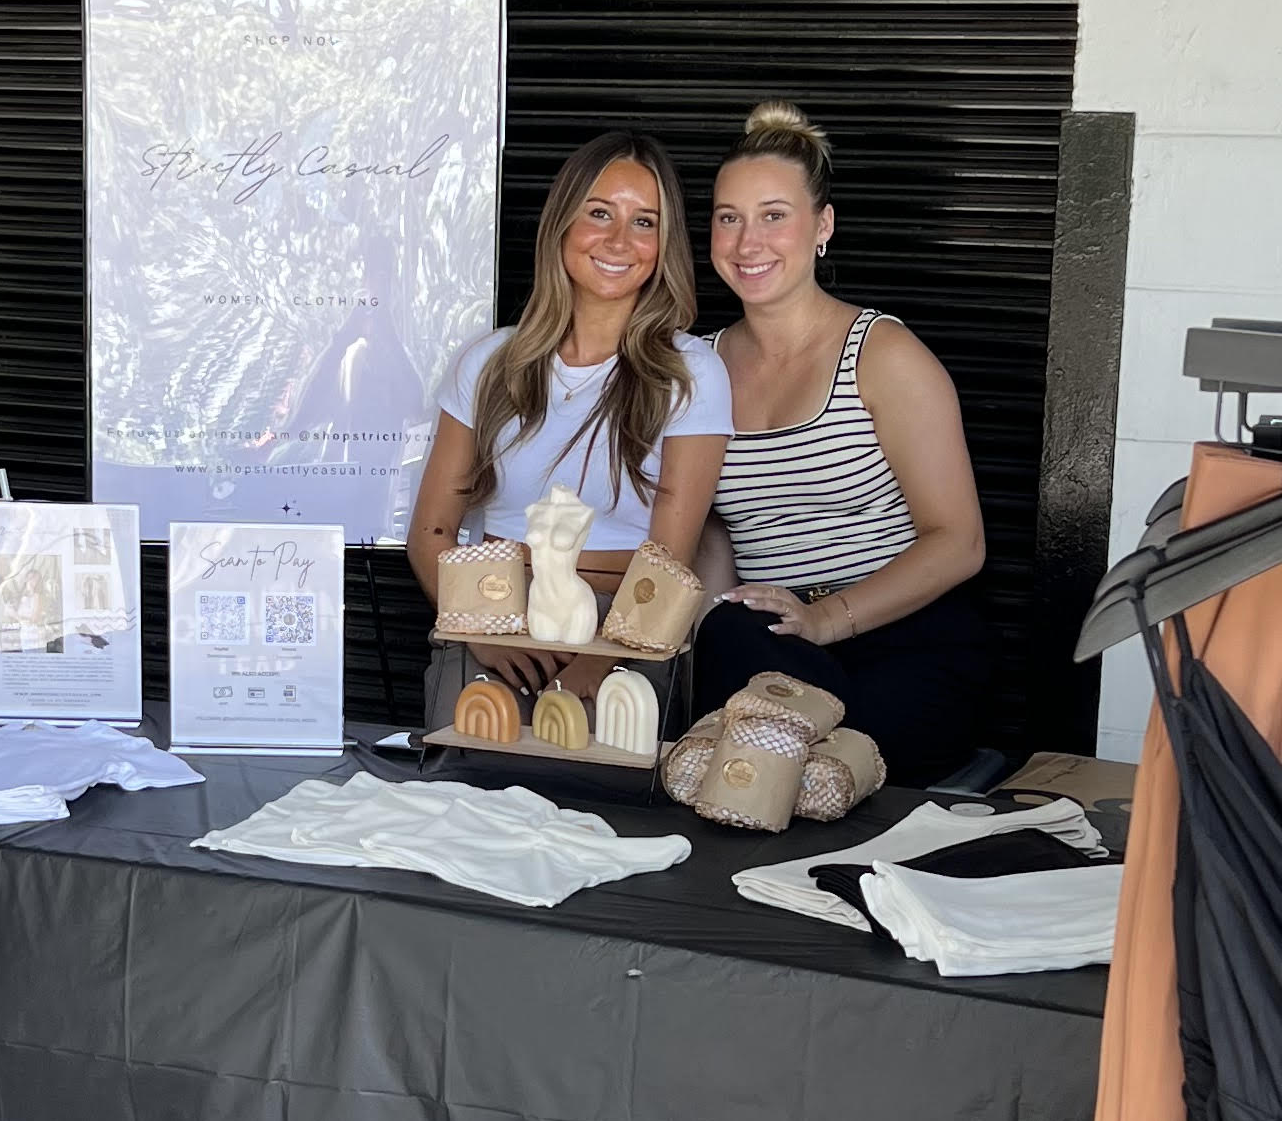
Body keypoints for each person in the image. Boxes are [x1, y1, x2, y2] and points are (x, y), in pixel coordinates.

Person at [694, 99, 995, 777]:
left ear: (822, 225)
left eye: (775, 215)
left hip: (902, 636)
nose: (748, 243)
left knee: (818, 756)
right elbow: (712, 534)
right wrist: (701, 633)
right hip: (775, 644)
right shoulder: (699, 367)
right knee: (731, 640)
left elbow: (959, 542)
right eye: (729, 218)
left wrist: (826, 618)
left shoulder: (882, 354)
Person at [405, 131, 730, 694]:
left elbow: (671, 559)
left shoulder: (691, 372)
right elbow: (430, 532)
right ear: (562, 224)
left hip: (625, 621)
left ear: (664, 244)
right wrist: (481, 629)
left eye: (644, 222)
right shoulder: (487, 364)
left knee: (593, 750)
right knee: (468, 747)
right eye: (599, 213)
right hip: (499, 610)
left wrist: (594, 666)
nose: (619, 240)